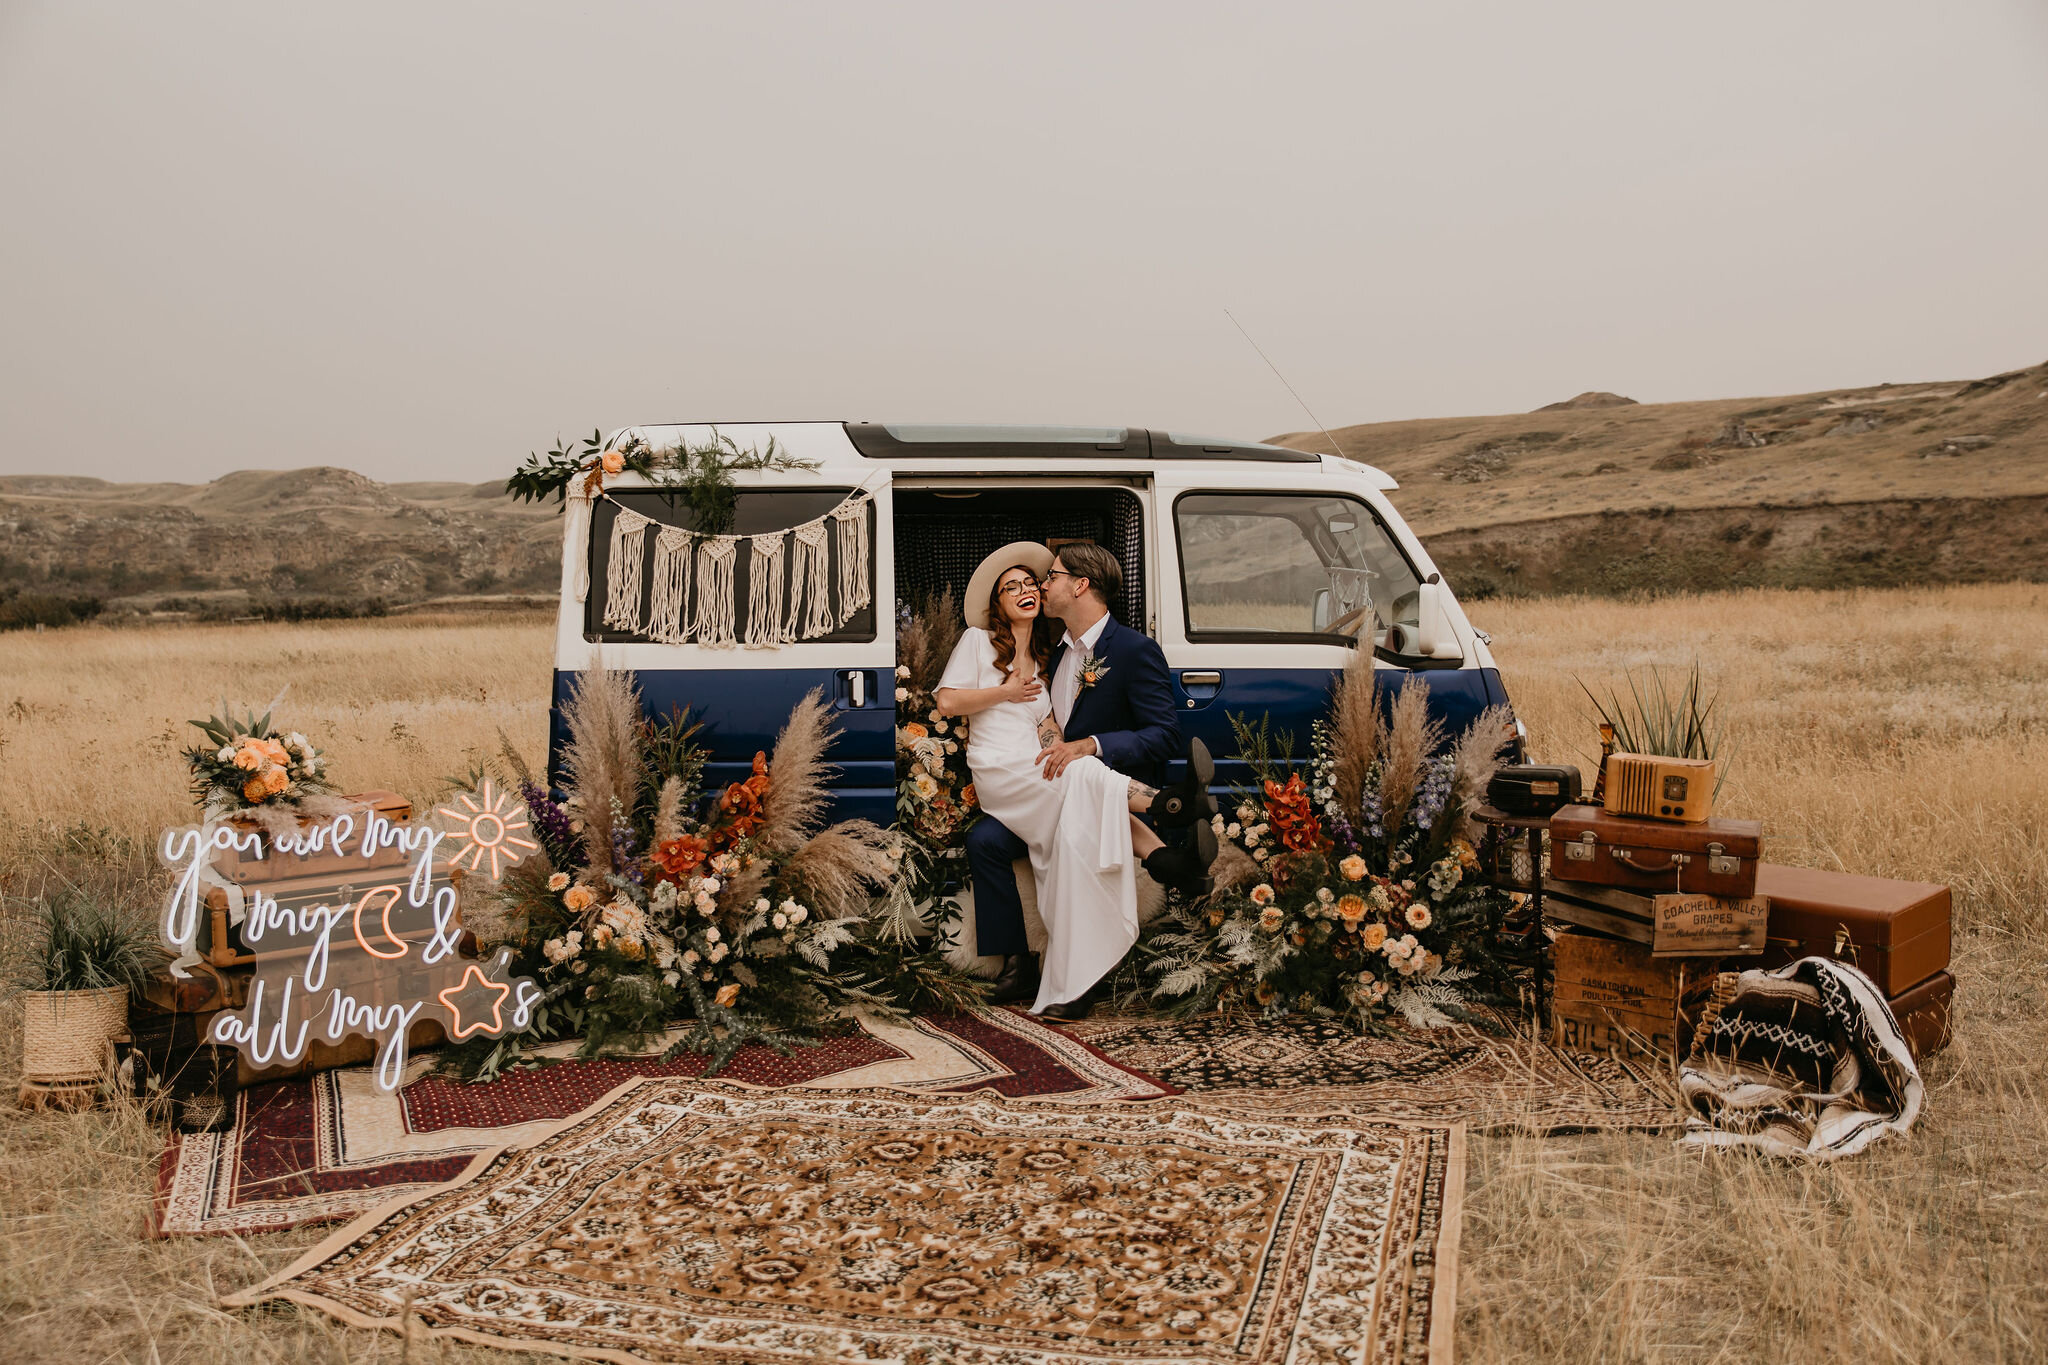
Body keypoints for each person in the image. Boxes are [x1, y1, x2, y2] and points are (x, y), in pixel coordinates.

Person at [938, 541, 1216, 1020]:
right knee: (1082, 778)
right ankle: (1169, 811)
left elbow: (1057, 733)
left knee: (1006, 828)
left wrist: (1081, 745)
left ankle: (1055, 968)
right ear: (997, 602)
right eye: (1017, 586)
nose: (1037, 588)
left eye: (1042, 579)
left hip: (1044, 775)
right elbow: (948, 702)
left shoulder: (1067, 657)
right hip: (1010, 771)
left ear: (1080, 585)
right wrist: (1013, 699)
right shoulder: (987, 642)